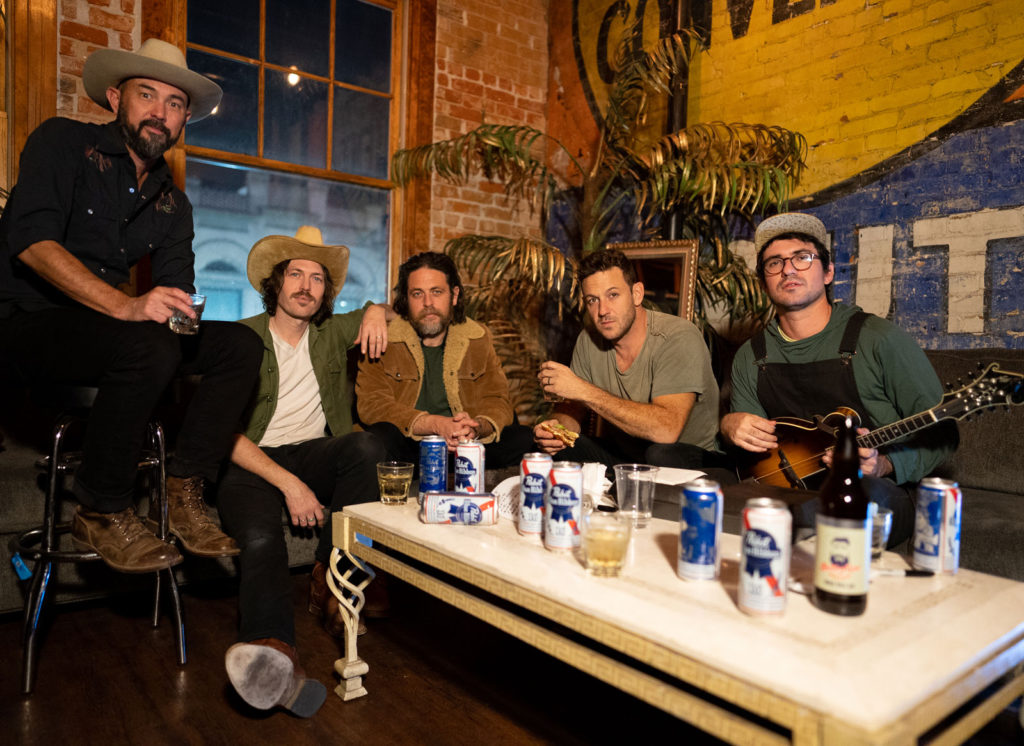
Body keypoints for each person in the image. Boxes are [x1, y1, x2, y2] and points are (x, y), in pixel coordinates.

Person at [0, 39, 260, 573]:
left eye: (174, 104)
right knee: (146, 341)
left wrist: (179, 313)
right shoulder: (63, 143)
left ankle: (185, 492)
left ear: (184, 118)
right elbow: (30, 244)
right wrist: (127, 307)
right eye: (148, 95)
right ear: (116, 97)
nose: (160, 113)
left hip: (117, 337)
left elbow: (172, 294)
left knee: (240, 345)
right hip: (31, 326)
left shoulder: (172, 202)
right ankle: (100, 506)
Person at [219, 226, 393, 718]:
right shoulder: (240, 339)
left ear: (325, 293)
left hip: (314, 450)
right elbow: (221, 434)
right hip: (251, 461)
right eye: (295, 274)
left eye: (317, 278)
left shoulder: (332, 333)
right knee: (259, 539)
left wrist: (378, 308)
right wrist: (290, 484)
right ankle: (275, 650)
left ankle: (329, 574)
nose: (305, 286)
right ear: (276, 285)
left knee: (365, 446)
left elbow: (385, 312)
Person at [720, 212, 958, 545]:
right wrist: (730, 424)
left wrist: (885, 465)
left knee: (863, 499)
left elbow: (943, 433)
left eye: (802, 258)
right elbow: (750, 457)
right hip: (789, 489)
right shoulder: (751, 354)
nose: (788, 269)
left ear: (828, 272)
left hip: (875, 489)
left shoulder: (879, 339)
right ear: (764, 282)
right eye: (774, 263)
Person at [534, 249, 722, 471]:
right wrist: (556, 432)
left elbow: (666, 430)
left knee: (659, 453)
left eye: (613, 295)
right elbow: (572, 412)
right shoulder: (588, 340)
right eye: (593, 300)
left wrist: (584, 390)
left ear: (637, 294)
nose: (602, 310)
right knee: (537, 446)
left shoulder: (678, 336)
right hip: (629, 459)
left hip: (693, 462)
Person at [356, 251, 534, 468]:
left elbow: (497, 398)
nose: (428, 303)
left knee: (525, 438)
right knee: (379, 437)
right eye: (417, 294)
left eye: (437, 292)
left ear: (454, 295)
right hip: (409, 448)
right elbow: (371, 404)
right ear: (406, 298)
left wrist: (476, 427)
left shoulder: (477, 337)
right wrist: (434, 424)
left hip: (465, 446)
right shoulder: (385, 337)